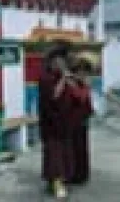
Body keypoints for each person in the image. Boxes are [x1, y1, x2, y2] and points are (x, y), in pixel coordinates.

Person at [38, 40, 76, 199]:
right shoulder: (46, 77)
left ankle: (61, 180)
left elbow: (74, 90)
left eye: (63, 61)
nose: (61, 64)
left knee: (65, 153)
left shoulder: (63, 75)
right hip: (51, 124)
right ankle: (56, 183)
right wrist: (63, 79)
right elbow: (54, 95)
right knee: (54, 155)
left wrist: (69, 79)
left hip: (64, 122)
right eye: (59, 61)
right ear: (53, 61)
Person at [67, 57, 95, 185]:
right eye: (81, 71)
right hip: (72, 120)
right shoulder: (72, 83)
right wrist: (87, 87)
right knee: (75, 148)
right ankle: (74, 174)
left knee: (83, 148)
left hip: (82, 119)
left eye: (86, 72)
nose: (84, 74)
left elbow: (87, 102)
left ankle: (83, 174)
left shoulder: (83, 84)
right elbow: (80, 97)